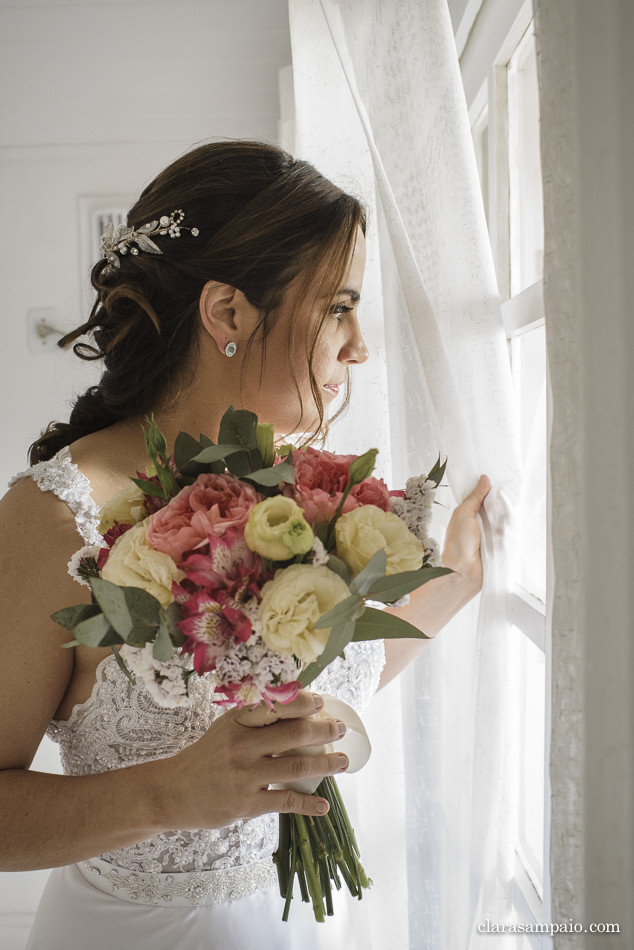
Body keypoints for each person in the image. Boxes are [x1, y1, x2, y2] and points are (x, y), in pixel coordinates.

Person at [0, 141, 489, 949]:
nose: (359, 346)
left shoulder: (307, 496)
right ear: (229, 313)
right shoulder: (57, 516)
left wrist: (459, 579)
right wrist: (166, 794)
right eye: (337, 306)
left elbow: (329, 669)